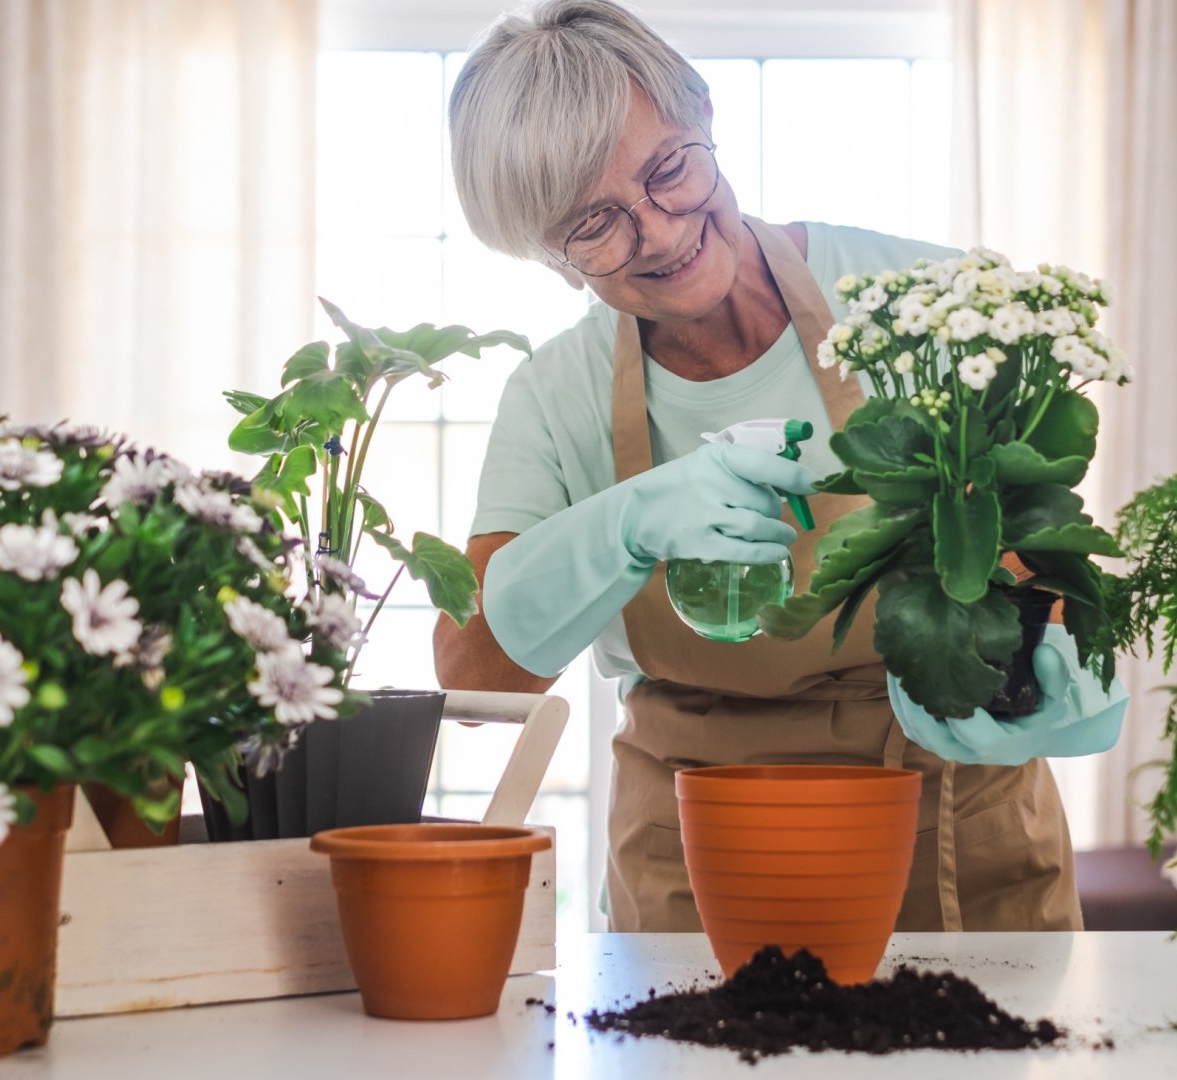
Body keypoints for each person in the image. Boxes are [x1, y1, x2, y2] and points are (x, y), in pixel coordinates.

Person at [434, 0, 1127, 933]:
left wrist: (1047, 670)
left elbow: (1034, 568)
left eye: (669, 169)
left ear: (707, 118)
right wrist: (625, 525)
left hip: (954, 830)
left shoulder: (931, 307)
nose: (664, 232)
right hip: (692, 866)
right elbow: (475, 682)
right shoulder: (555, 395)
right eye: (596, 225)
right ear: (550, 258)